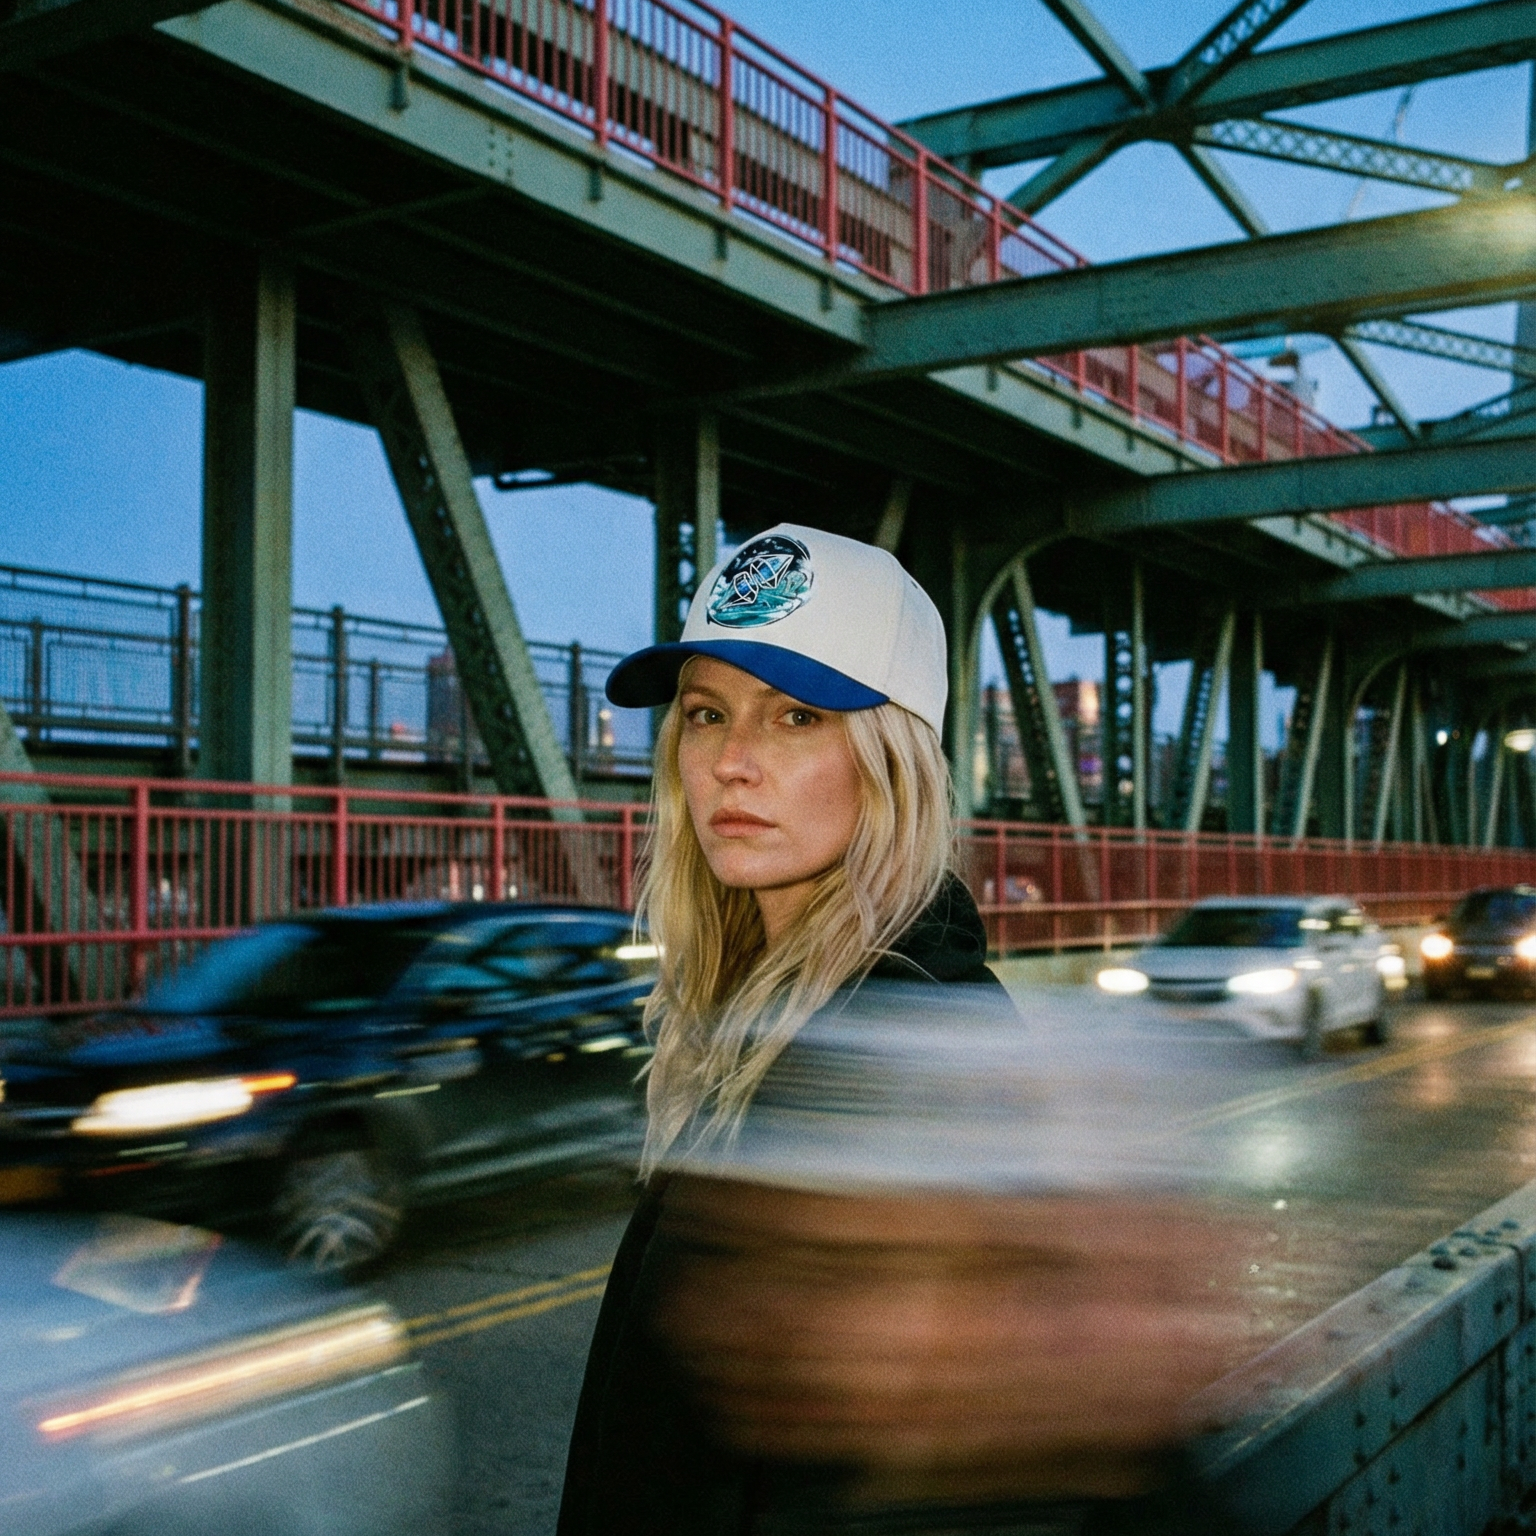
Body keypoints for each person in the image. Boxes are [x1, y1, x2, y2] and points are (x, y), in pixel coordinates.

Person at [557, 526, 1241, 1536]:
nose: (733, 763)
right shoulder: (768, 1024)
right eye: (706, 714)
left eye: (796, 715)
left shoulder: (907, 1050)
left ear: (890, 761)